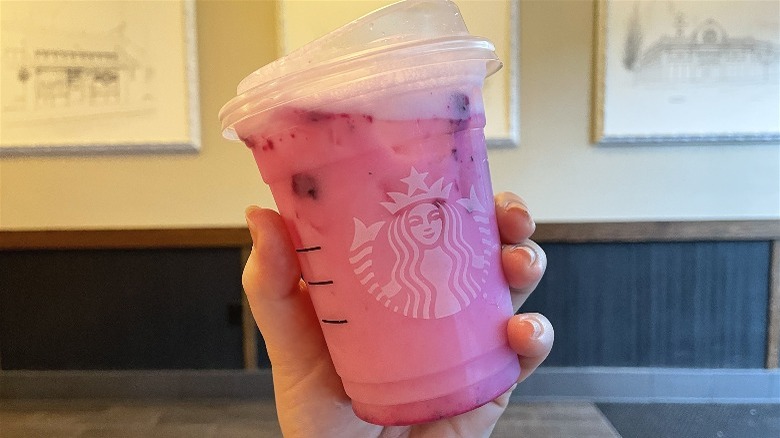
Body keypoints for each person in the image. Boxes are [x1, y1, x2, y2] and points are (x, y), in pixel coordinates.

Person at [243, 191, 553, 437]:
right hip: (358, 402)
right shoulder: (398, 277)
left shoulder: (462, 262)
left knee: (522, 269)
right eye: (415, 222)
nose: (427, 227)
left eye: (433, 216)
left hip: (476, 372)